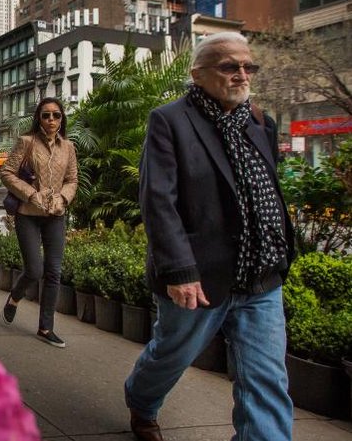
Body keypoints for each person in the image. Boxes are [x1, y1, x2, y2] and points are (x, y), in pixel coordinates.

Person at [124, 32, 294, 441]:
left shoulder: (261, 122)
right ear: (197, 74)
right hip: (198, 276)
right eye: (229, 66)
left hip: (261, 276)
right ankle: (141, 400)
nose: (242, 74)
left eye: (248, 66)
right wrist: (179, 271)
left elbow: (267, 189)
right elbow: (158, 201)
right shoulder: (169, 120)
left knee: (267, 380)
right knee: (171, 355)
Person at [0, 97, 78, 349]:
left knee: (54, 271)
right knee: (34, 270)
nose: (51, 119)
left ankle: (46, 328)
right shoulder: (27, 142)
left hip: (55, 215)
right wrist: (31, 194)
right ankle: (15, 296)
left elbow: (72, 179)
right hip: (28, 214)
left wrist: (63, 198)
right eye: (46, 115)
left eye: (56, 115)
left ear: (62, 118)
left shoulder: (68, 147)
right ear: (39, 118)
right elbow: (6, 172)